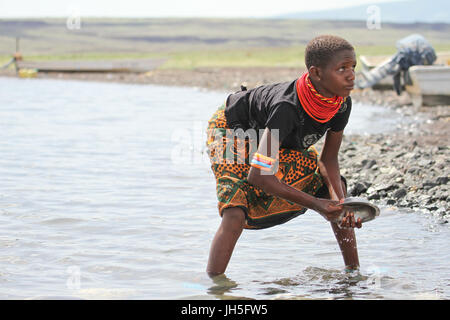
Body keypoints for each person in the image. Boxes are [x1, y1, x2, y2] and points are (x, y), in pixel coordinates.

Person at [205, 35, 362, 277]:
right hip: (233, 130)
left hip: (273, 137)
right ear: (316, 73)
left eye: (353, 67)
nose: (351, 75)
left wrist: (342, 207)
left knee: (334, 186)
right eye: (342, 69)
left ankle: (354, 274)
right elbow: (259, 176)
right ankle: (215, 287)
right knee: (235, 208)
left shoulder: (341, 104)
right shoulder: (287, 107)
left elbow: (328, 160)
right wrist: (318, 205)